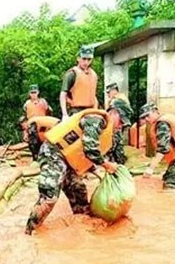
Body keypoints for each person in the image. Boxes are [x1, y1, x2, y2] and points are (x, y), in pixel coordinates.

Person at [25, 101, 132, 235]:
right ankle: (30, 231)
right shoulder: (96, 120)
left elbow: (82, 153)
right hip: (53, 153)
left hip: (68, 159)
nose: (120, 126)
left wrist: (99, 173)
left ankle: (83, 229)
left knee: (79, 191)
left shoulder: (103, 127)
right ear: (113, 113)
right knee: (49, 196)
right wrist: (107, 165)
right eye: (121, 122)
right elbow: (90, 149)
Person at [59, 45, 98, 120]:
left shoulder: (94, 75)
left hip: (91, 111)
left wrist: (95, 110)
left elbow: (93, 95)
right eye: (84, 59)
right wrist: (64, 114)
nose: (86, 62)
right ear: (78, 58)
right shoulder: (72, 74)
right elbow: (63, 94)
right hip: (76, 111)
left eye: (89, 59)